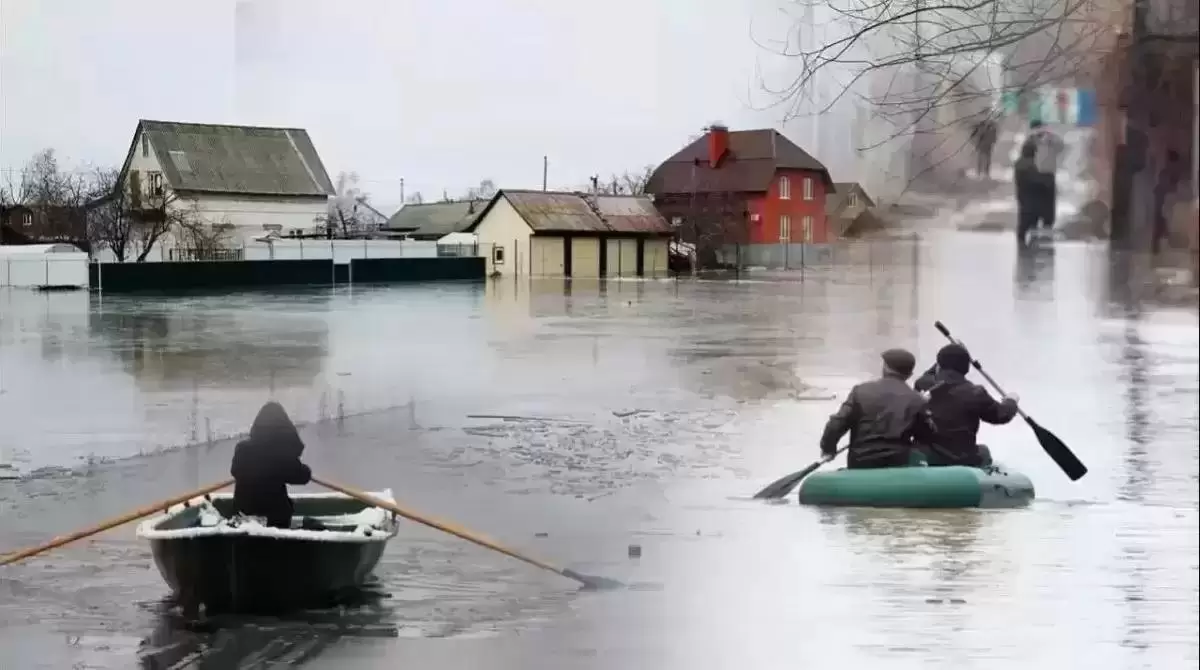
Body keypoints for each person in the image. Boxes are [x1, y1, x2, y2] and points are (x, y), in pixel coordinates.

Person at [819, 348, 938, 469]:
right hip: (898, 463)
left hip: (861, 461)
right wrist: (923, 407)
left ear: (885, 367)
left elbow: (836, 423)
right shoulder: (916, 400)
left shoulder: (861, 391)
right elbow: (928, 434)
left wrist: (828, 449)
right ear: (910, 375)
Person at [913, 344, 1019, 467]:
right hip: (963, 458)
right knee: (984, 452)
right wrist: (1011, 401)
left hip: (928, 455)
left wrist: (948, 356)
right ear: (966, 369)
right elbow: (1001, 415)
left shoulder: (923, 384)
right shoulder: (976, 393)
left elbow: (932, 371)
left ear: (939, 366)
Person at [231, 401, 313, 528]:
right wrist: (307, 470)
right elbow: (302, 476)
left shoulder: (242, 448)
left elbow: (234, 471)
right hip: (274, 519)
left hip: (243, 514)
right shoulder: (281, 453)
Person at [1020, 120, 1064, 234]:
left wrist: (1049, 136)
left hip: (1048, 174)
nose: (1039, 131)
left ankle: (1047, 223)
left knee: (1048, 203)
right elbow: (1025, 154)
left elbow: (1061, 147)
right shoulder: (1030, 140)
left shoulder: (1051, 140)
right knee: (1035, 202)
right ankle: (1033, 222)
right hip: (1034, 175)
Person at [1013, 143, 1042, 246]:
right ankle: (1026, 238)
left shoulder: (1020, 163)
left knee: (1024, 216)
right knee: (1030, 216)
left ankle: (1023, 238)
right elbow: (1032, 179)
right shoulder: (1028, 164)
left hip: (1023, 194)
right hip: (1029, 195)